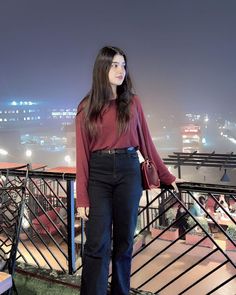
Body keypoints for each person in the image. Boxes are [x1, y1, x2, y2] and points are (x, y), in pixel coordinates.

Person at [75, 46, 179, 295]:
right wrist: (83, 196)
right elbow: (82, 155)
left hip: (129, 172)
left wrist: (167, 176)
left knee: (124, 244)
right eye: (114, 65)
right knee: (96, 244)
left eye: (123, 65)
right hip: (98, 176)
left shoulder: (133, 102)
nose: (120, 70)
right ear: (102, 68)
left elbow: (147, 143)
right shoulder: (86, 107)